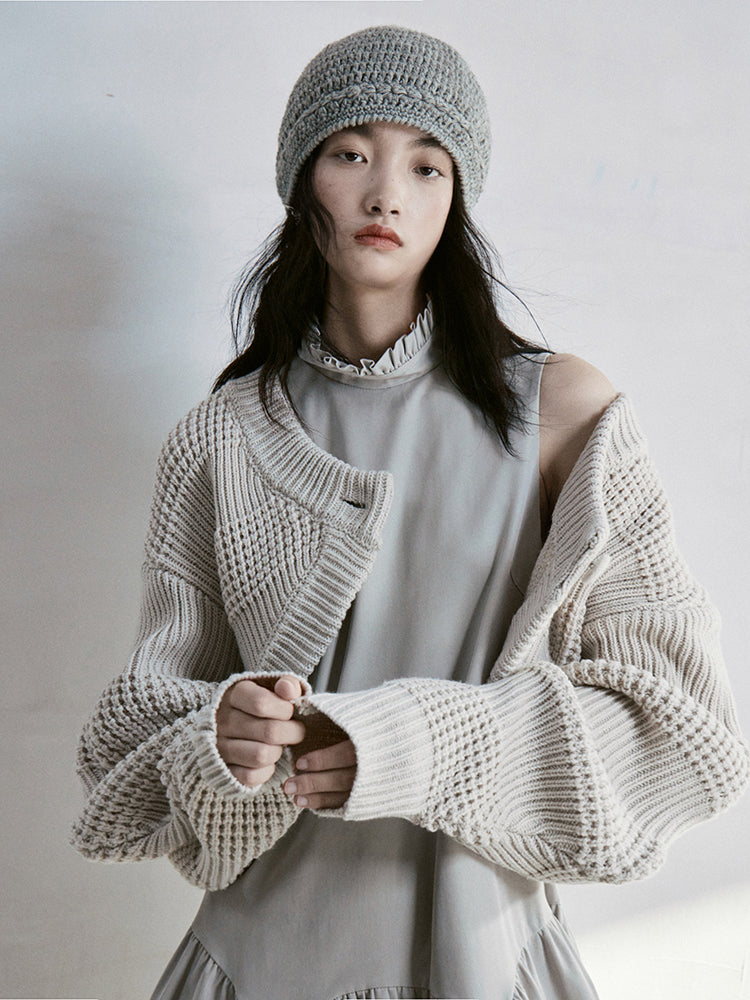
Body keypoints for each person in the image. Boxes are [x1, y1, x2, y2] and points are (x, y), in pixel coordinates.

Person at [71, 25, 749, 1000]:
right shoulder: (219, 438)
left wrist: (415, 744)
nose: (386, 193)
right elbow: (128, 745)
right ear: (301, 180)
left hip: (483, 959)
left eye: (427, 166)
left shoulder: (565, 414)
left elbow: (684, 732)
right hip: (255, 960)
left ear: (455, 200)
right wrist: (220, 733)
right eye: (351, 153)